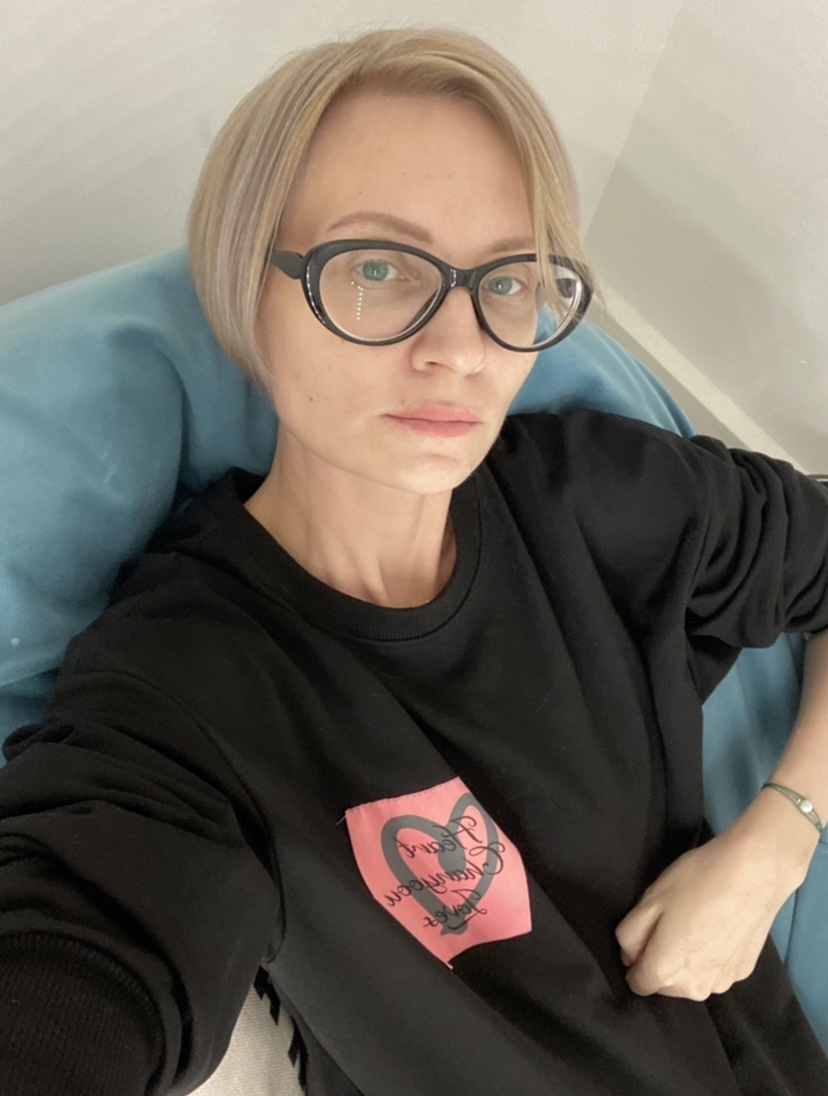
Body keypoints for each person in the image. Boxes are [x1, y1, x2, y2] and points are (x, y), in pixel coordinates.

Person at [1, 25, 827, 1096]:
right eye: (380, 268)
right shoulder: (183, 683)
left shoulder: (587, 500)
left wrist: (779, 837)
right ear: (247, 282)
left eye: (508, 280)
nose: (462, 348)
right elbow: (85, 947)